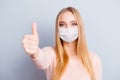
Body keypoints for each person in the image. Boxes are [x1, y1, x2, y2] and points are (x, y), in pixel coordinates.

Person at [22, 7, 102, 80]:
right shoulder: (51, 54)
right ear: (58, 29)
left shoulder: (93, 59)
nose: (68, 28)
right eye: (62, 25)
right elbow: (41, 60)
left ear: (80, 27)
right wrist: (35, 53)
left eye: (73, 24)